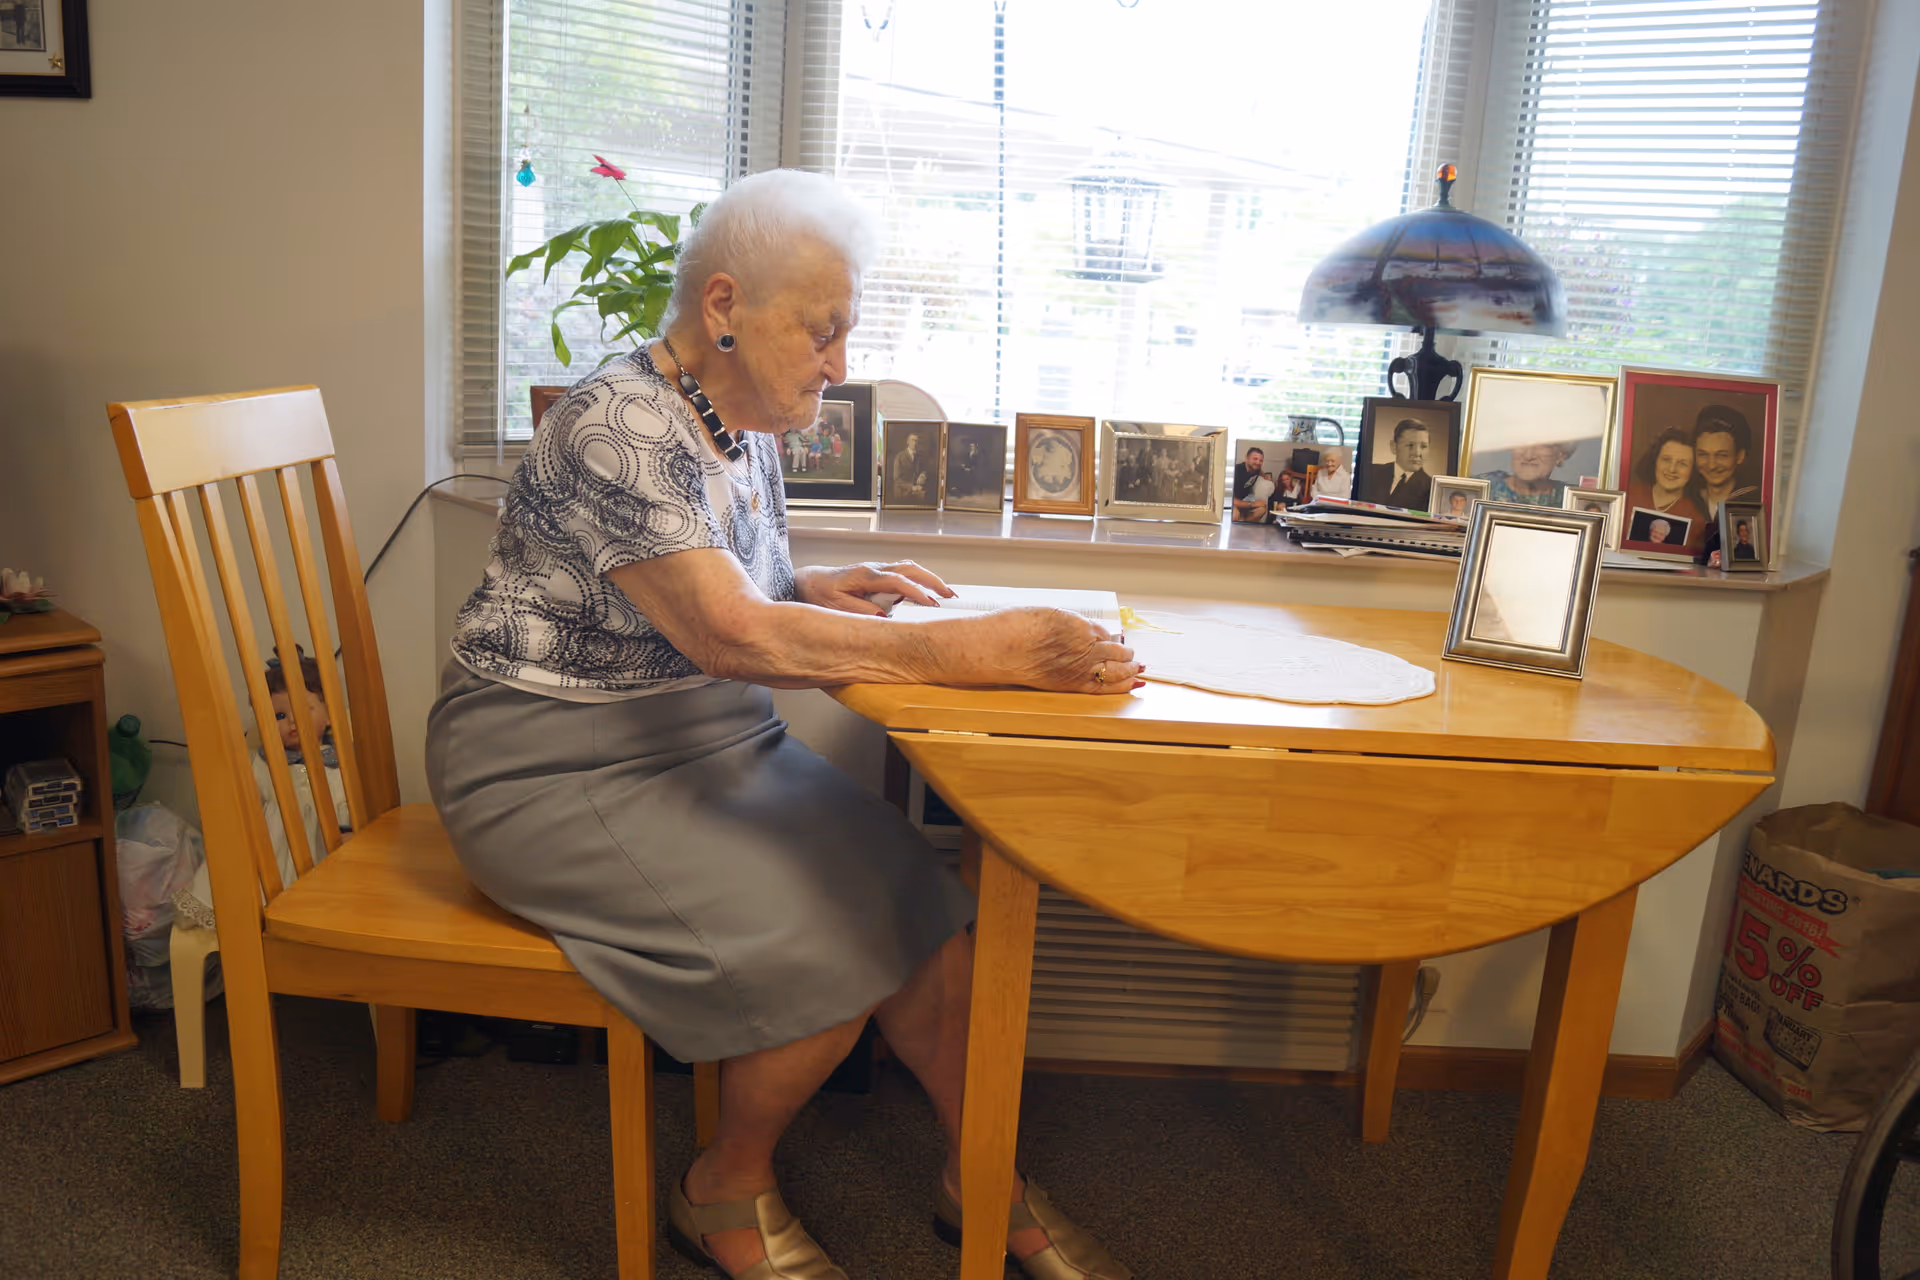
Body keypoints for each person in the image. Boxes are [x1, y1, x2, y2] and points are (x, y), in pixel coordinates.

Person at [429, 169, 1139, 1280]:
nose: (839, 363)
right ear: (724, 308)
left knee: (925, 903)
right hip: (551, 763)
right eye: (825, 330)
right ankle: (723, 1184)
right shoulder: (617, 421)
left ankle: (980, 1169)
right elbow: (723, 634)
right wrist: (974, 651)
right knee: (831, 948)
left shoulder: (735, 417)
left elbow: (713, 586)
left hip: (705, 736)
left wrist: (805, 585)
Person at [1625, 425, 1707, 547]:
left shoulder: (1697, 520)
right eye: (1666, 459)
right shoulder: (1627, 495)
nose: (1672, 469)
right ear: (1655, 461)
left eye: (1682, 464)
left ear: (1693, 471)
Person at [1693, 404, 1760, 518]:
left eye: (1722, 455)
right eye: (1703, 454)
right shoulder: (1688, 500)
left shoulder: (1758, 502)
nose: (1712, 465)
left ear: (1739, 456)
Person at [1480, 441, 1576, 507]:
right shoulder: (1482, 488)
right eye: (1522, 443)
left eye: (1542, 445)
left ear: (1561, 455)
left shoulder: (1574, 500)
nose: (1528, 455)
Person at [1365, 419, 1433, 509]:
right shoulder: (1371, 472)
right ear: (1393, 447)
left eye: (1423, 446)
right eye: (1410, 445)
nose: (1417, 453)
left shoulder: (1431, 487)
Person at [888, 429, 932, 502]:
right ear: (907, 442)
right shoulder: (899, 457)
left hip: (916, 492)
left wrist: (923, 474)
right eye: (912, 440)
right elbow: (896, 479)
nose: (914, 443)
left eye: (916, 441)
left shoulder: (920, 457)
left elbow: (924, 469)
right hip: (902, 492)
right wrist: (913, 487)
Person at [1231, 445, 1273, 521]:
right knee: (1234, 515)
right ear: (1247, 459)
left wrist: (1265, 476)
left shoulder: (1255, 469)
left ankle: (1245, 528)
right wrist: (1252, 504)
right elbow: (1231, 500)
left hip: (1245, 498)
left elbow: (1260, 471)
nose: (1258, 462)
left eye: (1261, 460)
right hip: (1233, 502)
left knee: (1262, 509)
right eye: (1255, 459)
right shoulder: (1236, 471)